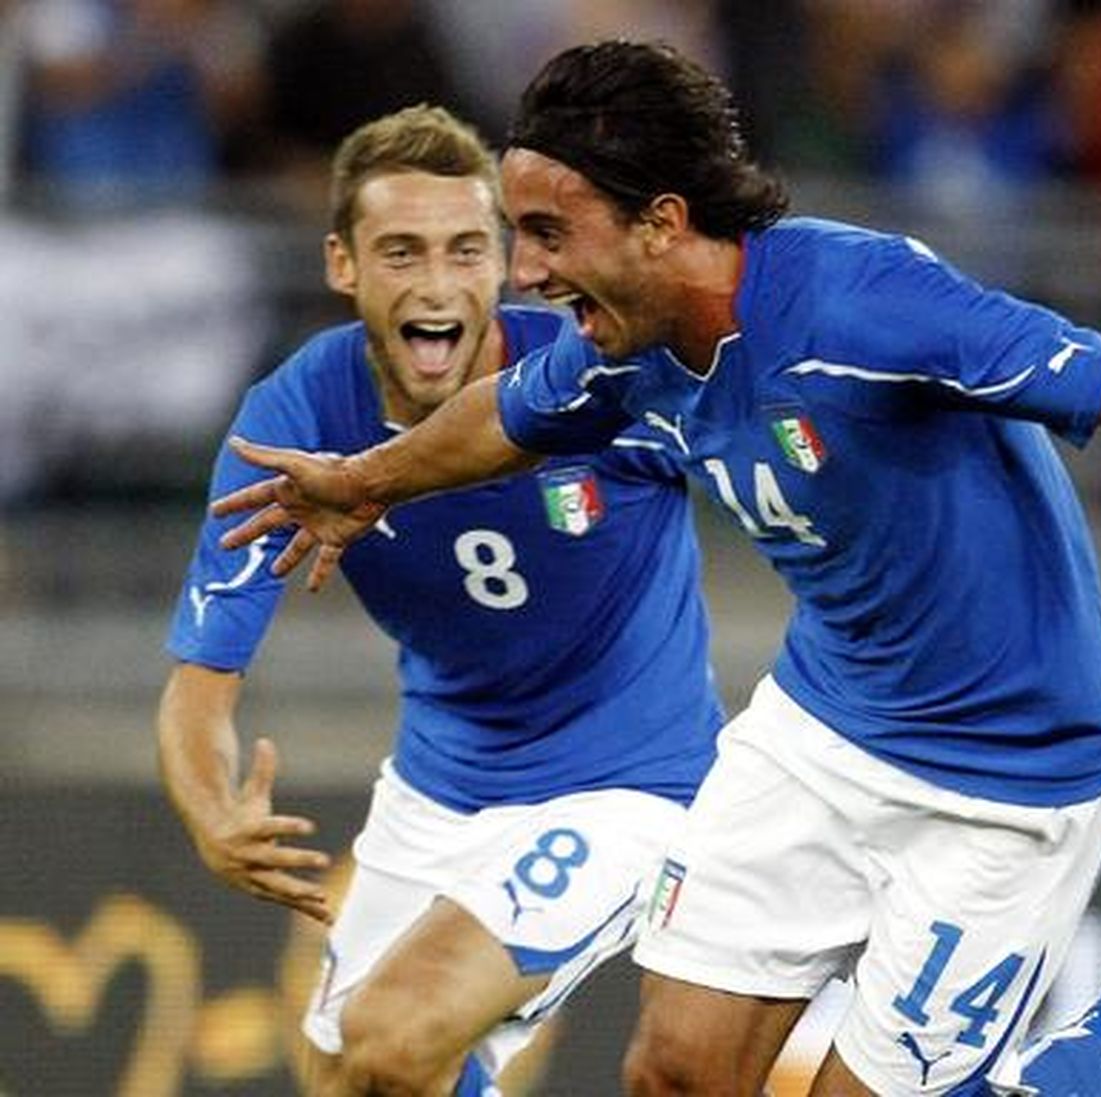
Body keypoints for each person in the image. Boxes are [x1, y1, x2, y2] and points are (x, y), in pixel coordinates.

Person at [207, 42, 1101, 1097]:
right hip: (820, 734)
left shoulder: (862, 308)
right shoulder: (619, 357)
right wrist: (364, 482)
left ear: (663, 222)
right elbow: (506, 420)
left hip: (1011, 773)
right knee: (671, 1071)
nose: (525, 276)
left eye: (550, 236)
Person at [156, 102, 723, 1095]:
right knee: (351, 1073)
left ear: (502, 260)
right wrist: (211, 812)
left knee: (394, 1034)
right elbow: (201, 679)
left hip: (625, 786)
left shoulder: (603, 379)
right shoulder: (296, 420)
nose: (435, 283)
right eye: (401, 251)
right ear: (343, 264)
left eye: (465, 249)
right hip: (436, 788)